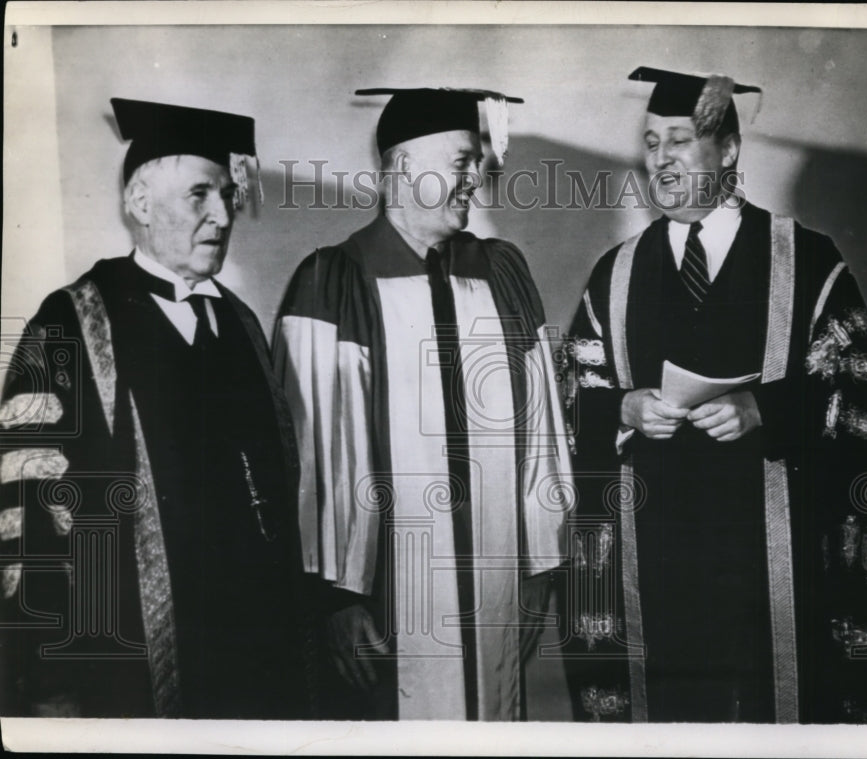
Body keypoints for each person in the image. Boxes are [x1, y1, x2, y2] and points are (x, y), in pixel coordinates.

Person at [561, 67, 867, 724]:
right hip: (656, 568)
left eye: (679, 140)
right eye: (652, 142)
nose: (660, 158)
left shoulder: (806, 260)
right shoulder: (617, 273)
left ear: (729, 151)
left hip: (770, 567)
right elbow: (573, 396)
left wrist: (763, 410)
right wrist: (623, 408)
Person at [0, 99, 310, 718]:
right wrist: (49, 677)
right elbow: (25, 508)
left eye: (226, 194)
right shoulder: (72, 321)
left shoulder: (241, 322)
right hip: (125, 661)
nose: (223, 215)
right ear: (140, 206)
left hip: (254, 652)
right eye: (200, 195)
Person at [273, 87, 572, 720]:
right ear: (403, 169)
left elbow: (541, 430)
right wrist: (334, 600)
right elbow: (310, 461)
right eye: (461, 161)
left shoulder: (502, 271)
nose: (476, 178)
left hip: (498, 595)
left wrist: (540, 567)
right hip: (385, 601)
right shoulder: (335, 281)